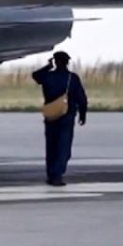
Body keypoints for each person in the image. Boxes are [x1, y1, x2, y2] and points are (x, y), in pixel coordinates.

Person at [32, 51, 88, 186]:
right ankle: (57, 175)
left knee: (51, 146)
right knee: (63, 148)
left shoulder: (48, 76)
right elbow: (81, 98)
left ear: (55, 62)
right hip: (66, 117)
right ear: (67, 62)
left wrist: (48, 66)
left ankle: (51, 174)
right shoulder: (72, 78)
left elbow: (35, 76)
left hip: (51, 115)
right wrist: (83, 114)